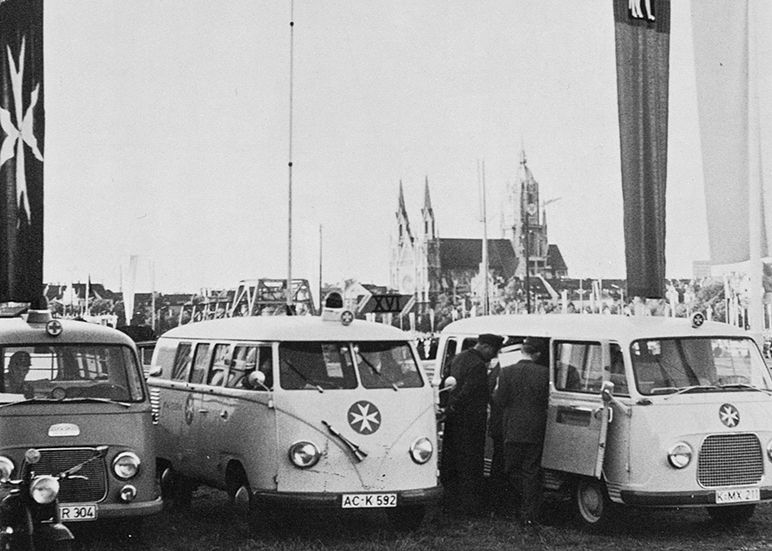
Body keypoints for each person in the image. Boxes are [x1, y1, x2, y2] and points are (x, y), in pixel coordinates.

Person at [441, 333, 504, 515]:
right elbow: (469, 392)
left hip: (454, 420)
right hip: (471, 420)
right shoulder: (477, 365)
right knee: (471, 463)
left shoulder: (458, 358)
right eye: (493, 351)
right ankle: (469, 506)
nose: (493, 356)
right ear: (485, 347)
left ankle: (449, 503)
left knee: (452, 461)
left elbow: (445, 384)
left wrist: (448, 408)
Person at [493, 336, 549, 525]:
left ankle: (526, 505)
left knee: (512, 469)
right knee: (531, 470)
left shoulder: (506, 371)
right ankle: (530, 511)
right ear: (538, 354)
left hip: (512, 427)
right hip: (535, 427)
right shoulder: (544, 373)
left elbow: (499, 400)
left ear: (522, 351)